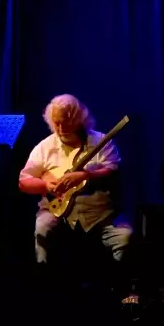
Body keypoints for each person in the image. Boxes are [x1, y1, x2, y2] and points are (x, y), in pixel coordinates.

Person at [18, 94, 132, 270]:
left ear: (79, 119)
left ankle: (119, 289)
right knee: (42, 229)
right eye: (56, 122)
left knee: (124, 237)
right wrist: (46, 185)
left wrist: (85, 175)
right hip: (57, 212)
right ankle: (44, 285)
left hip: (98, 213)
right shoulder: (45, 147)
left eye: (66, 122)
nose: (61, 128)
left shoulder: (101, 142)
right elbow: (24, 181)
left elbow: (113, 171)